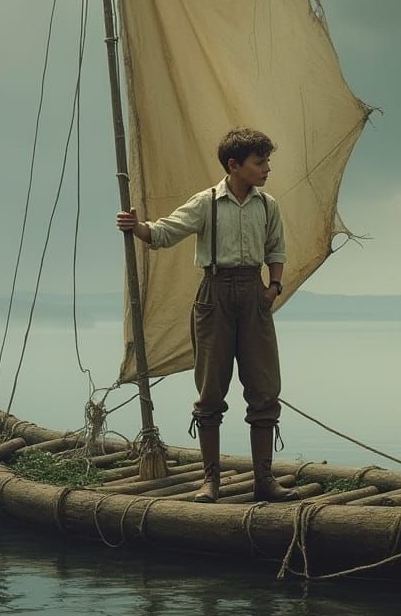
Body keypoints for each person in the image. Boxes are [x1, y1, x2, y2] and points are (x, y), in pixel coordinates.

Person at [116, 127, 297, 505]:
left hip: (254, 294)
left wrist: (273, 288)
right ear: (234, 165)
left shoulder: (268, 206)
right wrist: (138, 228)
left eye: (267, 161)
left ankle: (264, 479)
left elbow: (276, 250)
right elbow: (166, 233)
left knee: (264, 388)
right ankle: (210, 480)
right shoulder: (207, 202)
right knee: (211, 389)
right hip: (214, 294)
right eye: (259, 162)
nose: (267, 168)